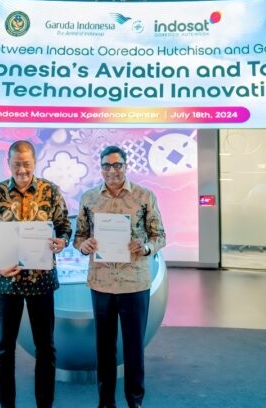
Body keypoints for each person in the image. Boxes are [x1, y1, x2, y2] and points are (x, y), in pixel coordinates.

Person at [74, 145, 166, 408]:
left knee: (134, 348)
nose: (112, 170)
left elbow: (159, 235)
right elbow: (79, 237)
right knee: (104, 348)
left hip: (134, 283)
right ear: (101, 168)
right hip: (101, 283)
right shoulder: (89, 198)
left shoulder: (144, 196)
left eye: (117, 165)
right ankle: (105, 402)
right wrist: (84, 245)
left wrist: (145, 247)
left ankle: (135, 401)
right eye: (107, 165)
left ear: (126, 166)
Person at [0, 140, 71, 408]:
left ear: (35, 162)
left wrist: (62, 241)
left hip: (41, 280)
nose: (22, 170)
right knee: (3, 350)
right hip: (6, 282)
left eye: (27, 164)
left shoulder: (50, 191)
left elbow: (64, 226)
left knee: (46, 349)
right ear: (8, 163)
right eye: (16, 164)